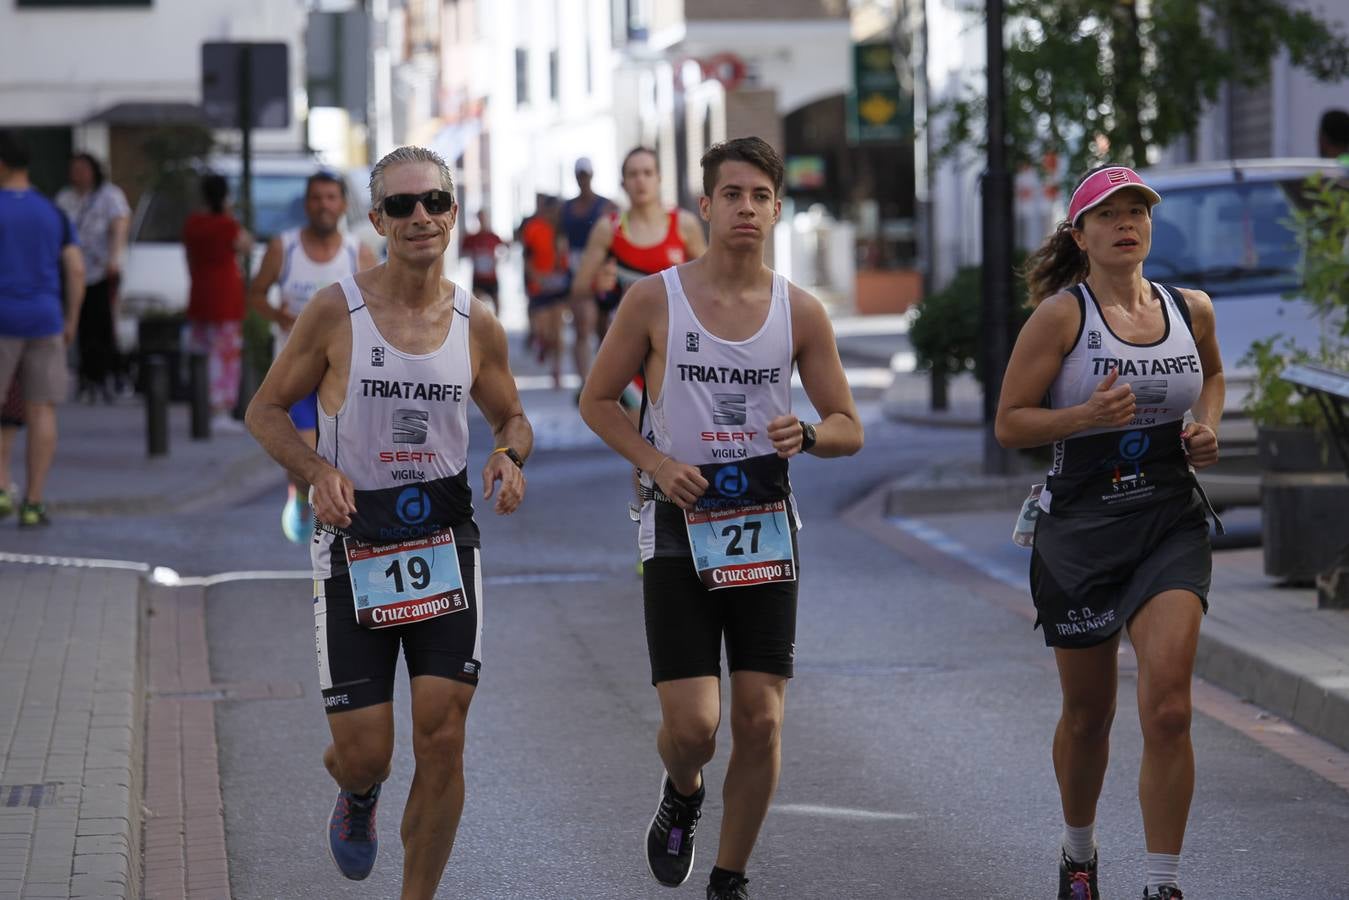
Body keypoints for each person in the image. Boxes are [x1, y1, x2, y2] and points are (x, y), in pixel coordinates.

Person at [578, 137, 864, 900]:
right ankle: (683, 790)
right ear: (703, 207)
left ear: (776, 209)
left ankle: (729, 877)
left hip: (764, 523)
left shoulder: (798, 311)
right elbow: (597, 402)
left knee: (761, 720)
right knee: (695, 726)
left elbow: (847, 424)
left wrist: (806, 432)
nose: (745, 207)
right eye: (730, 194)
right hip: (679, 522)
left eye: (759, 196)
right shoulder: (654, 298)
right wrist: (656, 463)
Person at [244, 145, 531, 899]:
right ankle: (359, 790)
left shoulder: (478, 323)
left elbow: (511, 416)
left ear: (452, 212)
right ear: (375, 220)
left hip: (443, 536)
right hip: (354, 540)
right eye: (400, 205)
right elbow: (265, 410)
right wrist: (316, 472)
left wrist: (508, 455)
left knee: (442, 734)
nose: (420, 217)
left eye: (433, 201)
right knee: (367, 752)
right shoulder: (337, 309)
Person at [994, 166, 1225, 900]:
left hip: (1167, 517)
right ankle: (1078, 851)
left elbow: (1212, 378)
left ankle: (1163, 883)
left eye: (1137, 212)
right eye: (1107, 214)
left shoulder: (1191, 308)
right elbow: (1009, 423)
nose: (1125, 223)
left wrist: (1204, 427)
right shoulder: (1063, 316)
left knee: (1168, 705)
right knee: (1089, 715)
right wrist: (1081, 419)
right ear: (1080, 234)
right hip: (1083, 526)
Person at [248, 170, 377, 543]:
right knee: (304, 456)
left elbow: (375, 306)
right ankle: (302, 494)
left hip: (341, 370)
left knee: (342, 454)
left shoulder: (357, 251)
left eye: (331, 198)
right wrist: (280, 317)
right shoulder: (284, 247)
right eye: (317, 198)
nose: (323, 205)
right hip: (295, 370)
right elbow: (256, 294)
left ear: (341, 204)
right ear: (306, 204)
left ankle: (342, 525)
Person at [0, 130, 84, 528]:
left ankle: (1, 489)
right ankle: (33, 502)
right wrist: (71, 320)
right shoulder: (53, 212)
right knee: (42, 409)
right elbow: (76, 269)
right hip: (45, 319)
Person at [571, 146, 707, 342]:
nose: (640, 180)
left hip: (675, 337)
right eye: (633, 174)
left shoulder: (684, 224)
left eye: (647, 173)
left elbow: (712, 278)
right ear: (623, 183)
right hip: (626, 340)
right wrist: (597, 284)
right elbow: (578, 287)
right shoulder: (609, 228)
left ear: (659, 178)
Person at [56, 152, 130, 403]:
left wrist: (114, 258)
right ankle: (88, 376)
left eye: (82, 169)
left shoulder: (110, 195)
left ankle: (109, 375)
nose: (77, 174)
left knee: (104, 324)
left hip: (101, 269)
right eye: (73, 169)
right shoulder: (65, 198)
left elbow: (120, 225)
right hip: (74, 270)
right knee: (82, 325)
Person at [183, 173, 252, 431]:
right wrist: (227, 212)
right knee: (225, 355)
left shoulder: (193, 223)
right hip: (225, 293)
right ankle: (220, 408)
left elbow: (189, 257)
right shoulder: (227, 225)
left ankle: (202, 404)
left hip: (200, 291)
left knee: (201, 351)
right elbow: (246, 244)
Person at [559, 157, 613, 383]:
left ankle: (603, 380)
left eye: (586, 175)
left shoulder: (607, 206)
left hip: (602, 275)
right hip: (578, 275)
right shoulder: (567, 209)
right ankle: (585, 381)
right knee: (582, 326)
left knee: (604, 330)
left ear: (591, 175)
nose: (583, 180)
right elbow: (559, 241)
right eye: (579, 175)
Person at [521, 195, 570, 387]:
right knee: (544, 331)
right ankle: (542, 344)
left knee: (558, 331)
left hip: (557, 287)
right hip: (538, 286)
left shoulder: (562, 232)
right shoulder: (534, 229)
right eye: (553, 211)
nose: (555, 215)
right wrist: (535, 278)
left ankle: (556, 371)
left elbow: (566, 260)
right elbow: (527, 258)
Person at [460, 209, 506, 314]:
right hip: (478, 278)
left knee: (497, 303)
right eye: (480, 217)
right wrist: (473, 257)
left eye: (484, 217)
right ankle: (481, 327)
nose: (483, 220)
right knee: (478, 305)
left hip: (492, 277)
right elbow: (463, 251)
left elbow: (504, 248)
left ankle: (495, 326)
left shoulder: (493, 236)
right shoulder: (472, 238)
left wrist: (498, 260)